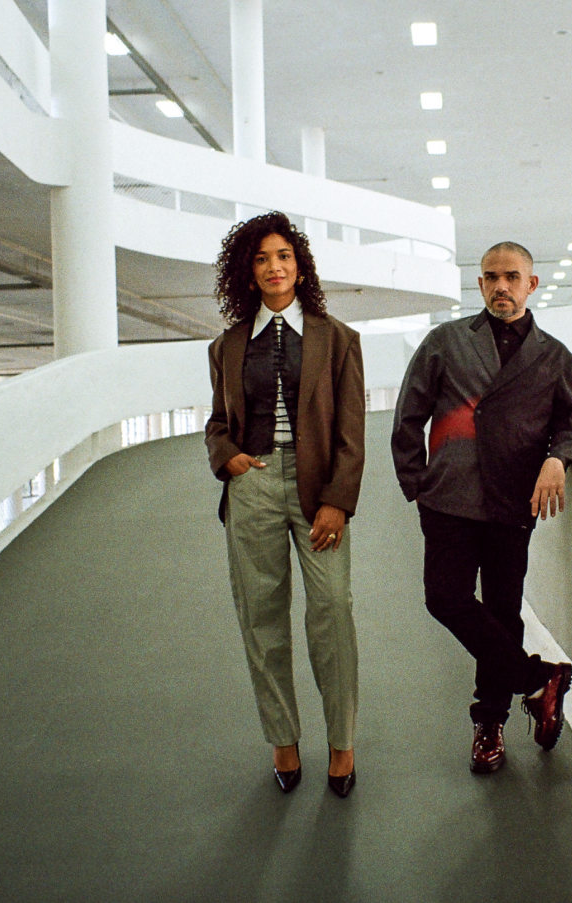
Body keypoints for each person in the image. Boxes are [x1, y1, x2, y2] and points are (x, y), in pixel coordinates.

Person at [391, 240, 572, 775]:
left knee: (503, 612)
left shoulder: (553, 357)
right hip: (450, 499)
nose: (501, 286)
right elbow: (408, 415)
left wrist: (558, 459)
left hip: (512, 500)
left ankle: (490, 723)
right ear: (479, 285)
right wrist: (419, 484)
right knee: (445, 598)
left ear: (532, 284)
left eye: (512, 276)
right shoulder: (446, 342)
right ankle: (536, 680)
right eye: (490, 277)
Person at [205, 211, 365, 797]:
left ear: (300, 268)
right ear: (247, 272)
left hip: (317, 486)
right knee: (261, 617)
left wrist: (338, 503)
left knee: (332, 610)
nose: (274, 268)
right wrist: (229, 459)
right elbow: (218, 422)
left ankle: (342, 743)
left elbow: (351, 432)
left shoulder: (338, 339)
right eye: (262, 259)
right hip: (252, 486)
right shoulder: (226, 346)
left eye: (284, 257)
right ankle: (283, 739)